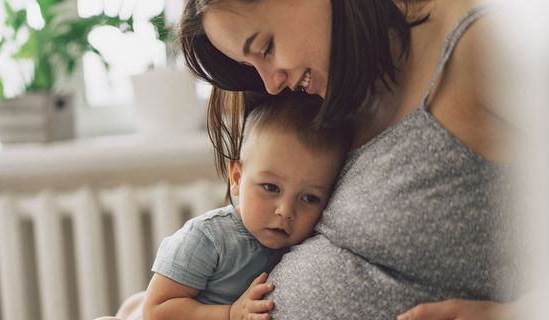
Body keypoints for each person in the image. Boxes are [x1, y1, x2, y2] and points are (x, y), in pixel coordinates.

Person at [177, 0, 520, 319]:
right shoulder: (338, 87)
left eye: (267, 47)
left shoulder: (482, 44)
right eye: (249, 66)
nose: (270, 84)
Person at [141, 93, 347, 320]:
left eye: (309, 198)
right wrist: (229, 313)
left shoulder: (305, 245)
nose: (286, 211)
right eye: (270, 187)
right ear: (237, 178)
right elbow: (155, 311)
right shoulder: (207, 238)